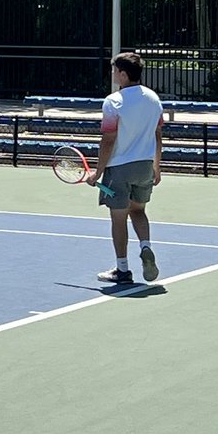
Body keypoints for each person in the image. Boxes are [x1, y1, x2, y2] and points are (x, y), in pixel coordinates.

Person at [87, 52, 164, 285]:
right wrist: (157, 167)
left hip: (119, 169)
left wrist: (97, 173)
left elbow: (108, 139)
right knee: (138, 211)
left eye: (114, 70)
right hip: (145, 167)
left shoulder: (113, 101)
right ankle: (146, 247)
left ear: (122, 73)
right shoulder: (153, 98)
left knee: (118, 219)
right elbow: (158, 135)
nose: (112, 75)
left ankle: (122, 270)